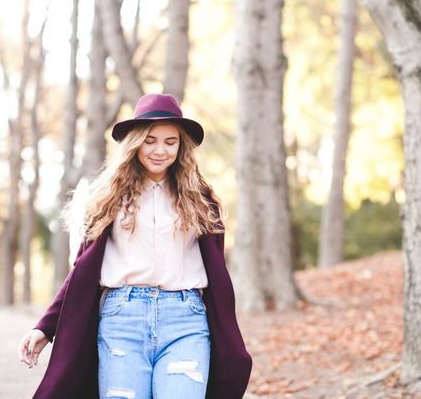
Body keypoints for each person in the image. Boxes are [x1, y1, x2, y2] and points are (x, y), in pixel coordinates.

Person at [18, 93, 252, 399]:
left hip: (186, 321)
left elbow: (216, 272)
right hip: (122, 320)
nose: (160, 150)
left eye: (171, 141)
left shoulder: (201, 200)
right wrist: (45, 328)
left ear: (181, 146)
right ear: (135, 143)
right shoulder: (108, 199)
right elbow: (82, 272)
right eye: (150, 140)